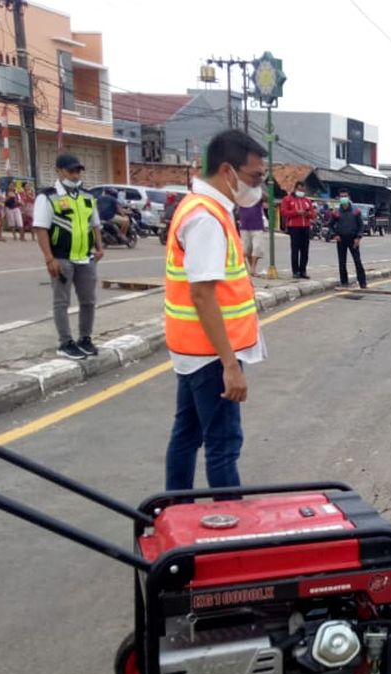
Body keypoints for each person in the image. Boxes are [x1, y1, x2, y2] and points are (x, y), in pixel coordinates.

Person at [163, 129, 268, 492]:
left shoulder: (200, 208)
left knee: (187, 435)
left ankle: (174, 515)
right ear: (228, 170)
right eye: (254, 177)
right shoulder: (207, 218)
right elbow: (203, 295)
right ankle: (228, 529)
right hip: (210, 355)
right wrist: (229, 366)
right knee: (223, 445)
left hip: (194, 349)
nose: (258, 187)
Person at [32, 153, 104, 361]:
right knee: (62, 302)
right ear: (59, 171)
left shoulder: (87, 196)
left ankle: (85, 339)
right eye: (71, 171)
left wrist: (99, 247)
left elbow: (95, 224)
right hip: (62, 257)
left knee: (88, 301)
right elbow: (41, 229)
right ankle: (65, 342)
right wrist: (49, 258)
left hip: (86, 257)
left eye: (77, 171)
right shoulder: (48, 196)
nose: (75, 175)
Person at [329, 190, 366, 288]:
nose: (343, 198)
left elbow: (361, 225)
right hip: (341, 239)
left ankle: (362, 282)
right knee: (342, 262)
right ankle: (344, 282)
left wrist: (358, 237)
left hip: (353, 239)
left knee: (357, 261)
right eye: (341, 196)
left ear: (349, 197)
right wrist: (335, 234)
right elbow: (330, 225)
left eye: (345, 196)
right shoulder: (336, 212)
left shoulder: (356, 211)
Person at [280, 180, 314, 278]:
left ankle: (303, 271)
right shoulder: (287, 199)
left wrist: (308, 214)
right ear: (295, 189)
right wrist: (296, 212)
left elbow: (313, 214)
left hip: (306, 227)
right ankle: (295, 271)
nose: (301, 191)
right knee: (295, 250)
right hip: (294, 227)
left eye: (303, 190)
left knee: (305, 250)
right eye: (299, 189)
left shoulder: (307, 201)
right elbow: (284, 212)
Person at [237, 191, 267, 277]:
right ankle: (251, 268)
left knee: (257, 247)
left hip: (257, 225)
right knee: (246, 249)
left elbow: (266, 198)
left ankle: (253, 268)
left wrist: (258, 190)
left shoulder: (257, 195)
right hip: (244, 225)